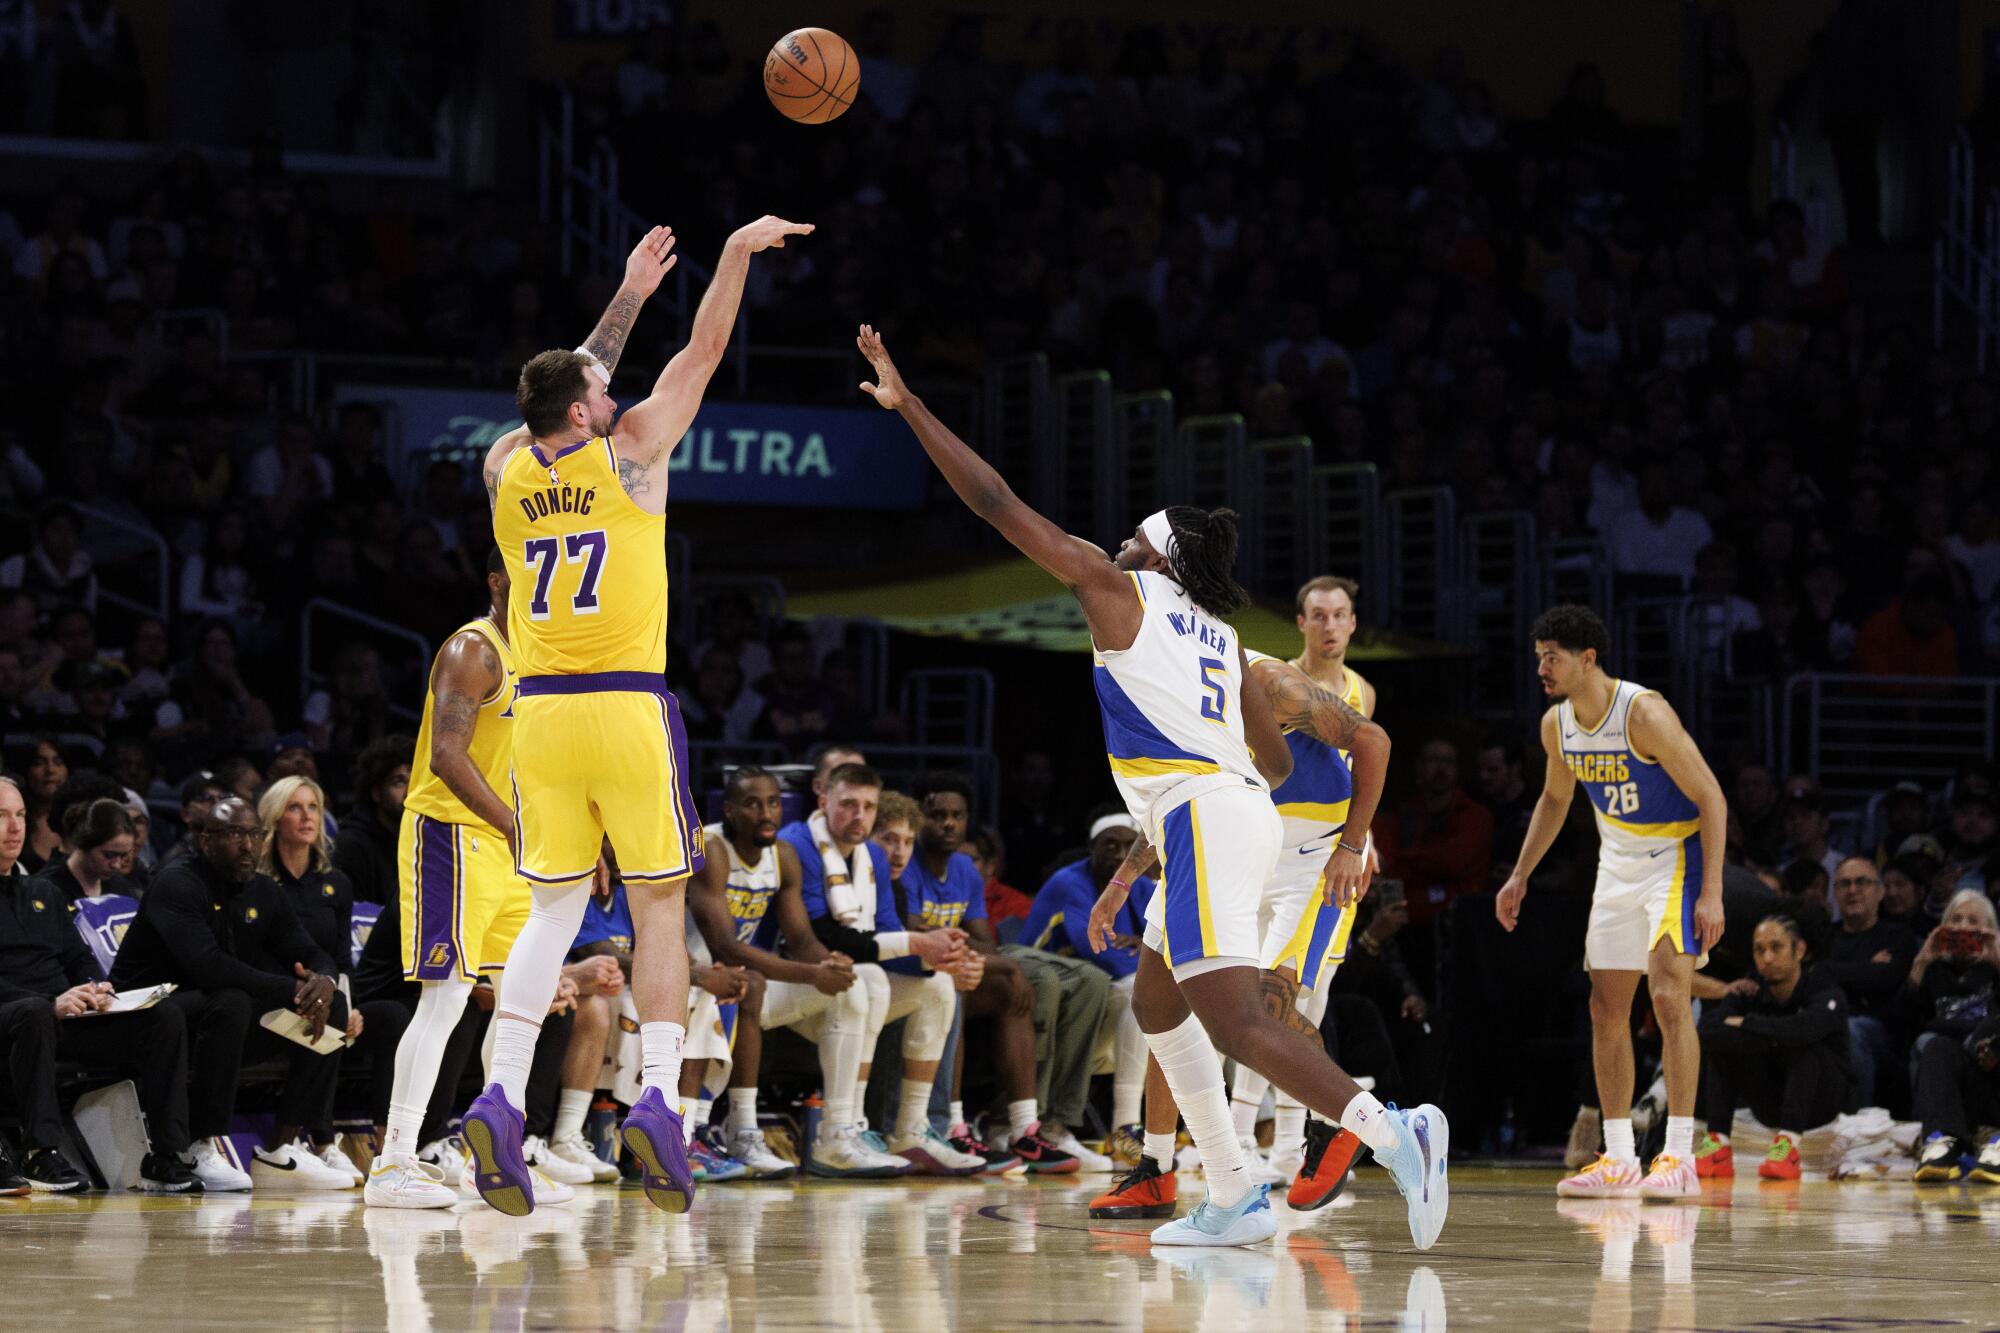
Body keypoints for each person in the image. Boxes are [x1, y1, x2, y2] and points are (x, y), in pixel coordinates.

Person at [856, 324, 1447, 1250]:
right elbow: (1278, 764)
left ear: (1156, 558)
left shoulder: (1119, 590)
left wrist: (911, 407)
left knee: (1240, 1020)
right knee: (1157, 1001)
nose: (1119, 544)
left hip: (1206, 819)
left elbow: (993, 498)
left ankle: (1389, 1129)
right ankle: (1233, 1187)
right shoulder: (1222, 637)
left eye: (1134, 538)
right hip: (1219, 814)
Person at [469, 215, 811, 1217]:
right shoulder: (632, 449)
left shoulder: (505, 465)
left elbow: (567, 375)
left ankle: (498, 1091)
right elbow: (703, 351)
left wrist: (626, 292)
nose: (613, 393)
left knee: (549, 908)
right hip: (622, 703)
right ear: (584, 412)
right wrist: (735, 255)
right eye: (600, 394)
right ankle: (659, 1098)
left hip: (537, 715)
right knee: (661, 903)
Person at [1089, 631, 1393, 1218]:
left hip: (1312, 860)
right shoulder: (1169, 690)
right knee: (1165, 1001)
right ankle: (1157, 1165)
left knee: (1267, 1007)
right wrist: (1124, 880)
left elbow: (1372, 742)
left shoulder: (1269, 682)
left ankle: (1343, 1123)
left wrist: (1355, 843)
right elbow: (1181, 793)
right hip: (1236, 844)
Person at [1496, 605, 1727, 1201]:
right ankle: (1620, 1156)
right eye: (1539, 655)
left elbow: (1712, 798)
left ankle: (1679, 1154)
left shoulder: (1643, 712)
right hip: (1618, 861)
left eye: (1553, 656)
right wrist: (1520, 874)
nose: (1542, 667)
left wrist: (1712, 891)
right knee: (1605, 1007)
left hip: (1676, 855)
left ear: (1588, 659)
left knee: (1670, 994)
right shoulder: (1557, 726)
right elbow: (1553, 799)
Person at [364, 553, 536, 1210]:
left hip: (507, 842)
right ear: (496, 581)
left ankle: (491, 1160)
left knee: (516, 1001)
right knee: (446, 999)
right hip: (451, 834)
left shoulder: (544, 658)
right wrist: (515, 825)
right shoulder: (475, 649)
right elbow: (445, 754)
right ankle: (395, 1160)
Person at [108, 797, 353, 1191]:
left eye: (254, 834)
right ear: (205, 840)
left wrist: (323, 979)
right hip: (148, 1011)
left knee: (330, 1004)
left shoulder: (262, 891)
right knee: (233, 1000)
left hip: (216, 1019)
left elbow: (307, 950)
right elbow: (208, 965)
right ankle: (198, 1145)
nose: (247, 845)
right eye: (234, 834)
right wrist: (292, 987)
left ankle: (283, 1146)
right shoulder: (178, 883)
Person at [687, 765, 913, 1179]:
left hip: (742, 979)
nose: (766, 813)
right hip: (694, 975)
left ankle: (840, 1132)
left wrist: (828, 964)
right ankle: (742, 1130)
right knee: (749, 982)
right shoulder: (712, 849)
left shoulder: (783, 856)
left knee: (860, 984)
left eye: (772, 802)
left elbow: (803, 939)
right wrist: (811, 976)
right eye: (752, 804)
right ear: (731, 810)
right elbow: (723, 946)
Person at [0, 775, 197, 1193]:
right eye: (1, 816)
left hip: (63, 1017)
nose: (15, 827)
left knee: (163, 1017)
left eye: (19, 815)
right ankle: (40, 1151)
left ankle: (166, 1155)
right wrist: (51, 1002)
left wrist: (96, 988)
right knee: (33, 1014)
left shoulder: (42, 892)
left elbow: (77, 956)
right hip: (19, 1018)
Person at [781, 762, 971, 1173]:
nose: (859, 815)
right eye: (848, 804)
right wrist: (920, 943)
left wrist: (940, 958)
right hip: (786, 978)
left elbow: (884, 935)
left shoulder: (871, 856)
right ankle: (839, 1132)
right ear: (823, 800)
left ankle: (911, 1131)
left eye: (868, 806)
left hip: (833, 984)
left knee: (938, 987)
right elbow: (823, 936)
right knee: (865, 980)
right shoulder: (796, 844)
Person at [904, 771, 1087, 1172]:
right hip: (909, 973)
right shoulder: (905, 863)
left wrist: (994, 963)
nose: (949, 823)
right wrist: (996, 962)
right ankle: (953, 1127)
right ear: (918, 818)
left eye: (958, 815)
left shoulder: (966, 870)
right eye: (938, 815)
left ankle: (1024, 1129)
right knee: (963, 984)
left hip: (949, 971)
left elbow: (984, 941)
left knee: (1006, 989)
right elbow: (916, 933)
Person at [258, 774, 408, 1187]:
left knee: (392, 1015)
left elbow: (342, 958)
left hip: (328, 997)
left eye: (313, 807)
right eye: (294, 807)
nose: (306, 817)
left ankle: (387, 1144)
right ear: (274, 817)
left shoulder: (335, 882)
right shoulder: (260, 883)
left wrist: (352, 1003)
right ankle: (315, 1142)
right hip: (272, 999)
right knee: (330, 1010)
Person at [1023, 813, 1156, 1165]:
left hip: (1093, 1015)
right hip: (1046, 1010)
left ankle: (1179, 1133)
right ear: (1091, 849)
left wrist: (1148, 947)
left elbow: (1176, 948)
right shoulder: (1069, 883)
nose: (1121, 854)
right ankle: (1126, 1127)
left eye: (1130, 846)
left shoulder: (1141, 885)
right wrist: (1148, 951)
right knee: (1138, 990)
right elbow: (1104, 953)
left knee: (1186, 1006)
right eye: (1110, 845)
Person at [1695, 916, 1854, 1181]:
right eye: (1759, 950)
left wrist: (1748, 1023)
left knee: (1805, 1045)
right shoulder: (1749, 989)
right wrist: (1776, 1034)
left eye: (1776, 947)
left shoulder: (1824, 987)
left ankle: (1788, 1146)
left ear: (1799, 949)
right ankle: (1718, 1143)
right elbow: (1707, 1032)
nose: (1767, 957)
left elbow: (1806, 1030)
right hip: (1769, 1104)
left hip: (1820, 1103)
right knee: (1721, 1048)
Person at [1908, 890, 2000, 1182]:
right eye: (1955, 919)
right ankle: (1941, 1143)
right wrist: (1921, 962)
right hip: (1959, 1066)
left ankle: (1995, 1138)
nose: (1963, 927)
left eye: (1973, 921)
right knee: (1932, 1045)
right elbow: (1902, 1022)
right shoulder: (1935, 970)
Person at [1819, 857, 1919, 1111]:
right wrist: (1868, 967)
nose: (1853, 890)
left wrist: (1834, 971)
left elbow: (1885, 980)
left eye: (1862, 882)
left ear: (1880, 891)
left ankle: (1855, 1124)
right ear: (1835, 892)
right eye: (1844, 884)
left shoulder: (1899, 935)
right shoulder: (1824, 936)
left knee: (1851, 1029)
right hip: (1823, 1022)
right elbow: (1815, 976)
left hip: (1881, 1036)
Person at [332, 735, 412, 906]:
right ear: (376, 792)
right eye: (399, 782)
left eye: (416, 781)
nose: (411, 790)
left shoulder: (424, 841)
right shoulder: (351, 846)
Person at [30, 796, 137, 902]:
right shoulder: (45, 889)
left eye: (123, 855)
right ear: (85, 843)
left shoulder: (121, 888)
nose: (117, 865)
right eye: (109, 855)